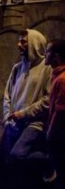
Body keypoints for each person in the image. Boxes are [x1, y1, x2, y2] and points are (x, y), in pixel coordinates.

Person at [0, 29, 52, 189]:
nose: (19, 45)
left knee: (16, 155)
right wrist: (7, 116)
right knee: (1, 158)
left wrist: (24, 113)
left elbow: (48, 100)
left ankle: (49, 162)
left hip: (34, 124)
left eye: (24, 42)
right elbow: (7, 95)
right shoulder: (17, 68)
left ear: (35, 43)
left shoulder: (47, 69)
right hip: (14, 123)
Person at [46, 39, 65, 189]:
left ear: (56, 56)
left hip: (60, 136)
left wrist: (50, 135)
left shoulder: (63, 79)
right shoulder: (56, 76)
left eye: (48, 51)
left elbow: (60, 111)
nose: (45, 55)